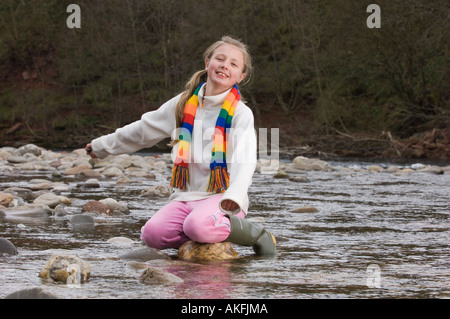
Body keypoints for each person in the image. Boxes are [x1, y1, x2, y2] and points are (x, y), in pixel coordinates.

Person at [86, 36, 276, 256]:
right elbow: (143, 130)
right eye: (220, 59)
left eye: (233, 64)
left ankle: (256, 233)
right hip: (186, 197)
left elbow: (245, 160)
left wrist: (234, 196)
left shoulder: (241, 114)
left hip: (223, 198)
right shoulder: (183, 104)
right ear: (207, 63)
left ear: (241, 76)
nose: (225, 65)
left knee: (197, 225)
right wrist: (101, 146)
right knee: (152, 235)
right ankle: (197, 231)